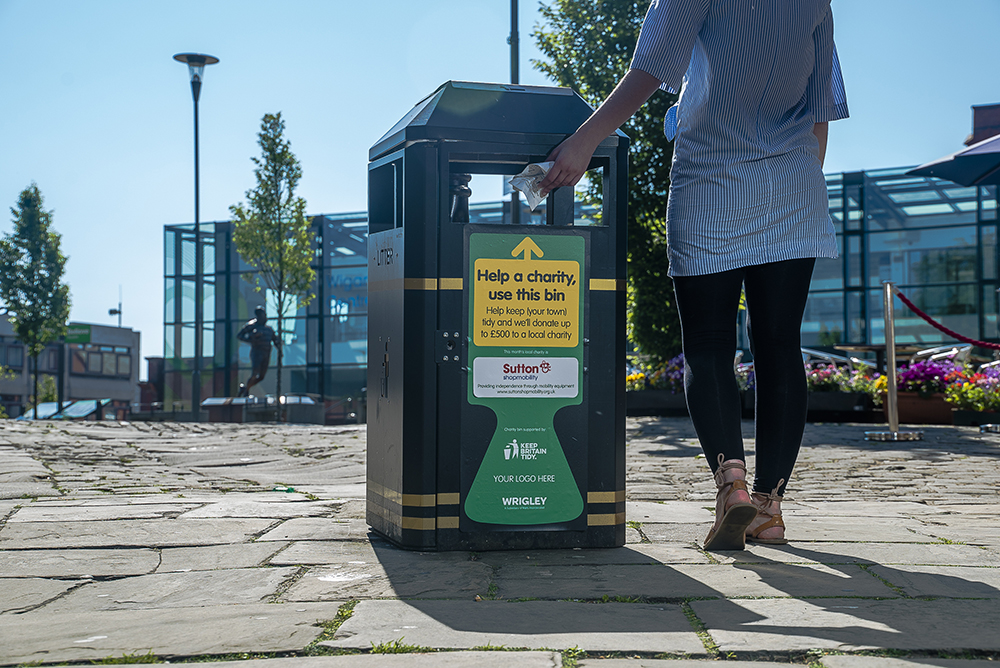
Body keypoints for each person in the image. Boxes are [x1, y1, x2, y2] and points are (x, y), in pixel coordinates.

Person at [538, 0, 848, 550]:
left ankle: (732, 485)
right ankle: (770, 509)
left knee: (707, 343)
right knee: (779, 344)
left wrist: (584, 141)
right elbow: (821, 106)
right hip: (791, 177)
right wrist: (799, 181)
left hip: (710, 174)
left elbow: (651, 67)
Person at [236, 306, 281, 398]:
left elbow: (275, 340)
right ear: (258, 316)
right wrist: (251, 340)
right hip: (257, 353)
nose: (265, 317)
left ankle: (244, 389)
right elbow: (239, 335)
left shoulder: (269, 329)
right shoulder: (252, 326)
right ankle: (246, 391)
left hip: (266, 354)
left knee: (261, 377)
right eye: (263, 315)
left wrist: (280, 350)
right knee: (255, 374)